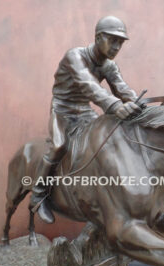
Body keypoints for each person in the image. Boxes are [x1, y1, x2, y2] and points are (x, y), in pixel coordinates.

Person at [31, 15, 141, 223]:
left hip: (84, 110)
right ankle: (38, 195)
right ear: (98, 37)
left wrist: (137, 103)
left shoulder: (109, 65)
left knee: (108, 140)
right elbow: (88, 85)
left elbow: (121, 88)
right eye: (112, 40)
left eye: (120, 42)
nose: (117, 46)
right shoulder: (75, 56)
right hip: (63, 110)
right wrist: (115, 106)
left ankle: (99, 195)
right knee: (58, 145)